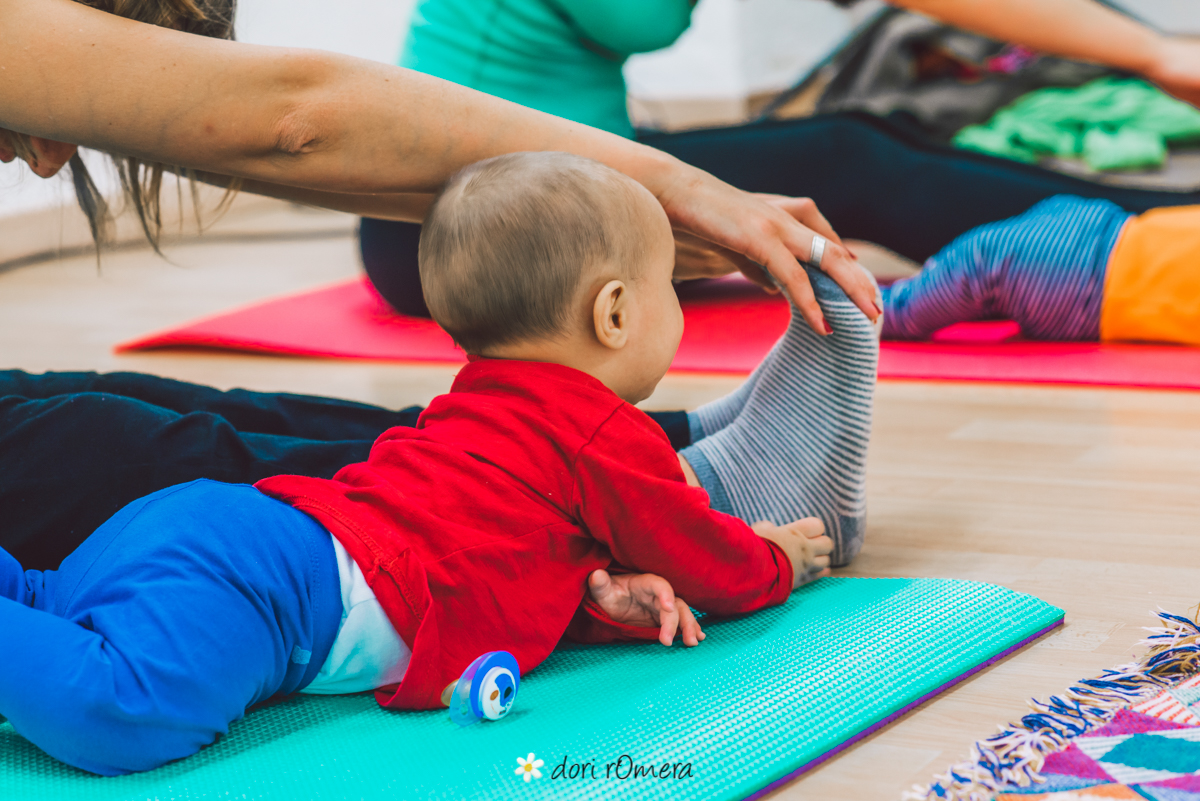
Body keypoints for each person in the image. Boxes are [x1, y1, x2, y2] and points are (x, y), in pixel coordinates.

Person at [0, 152, 876, 775]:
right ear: (615, 313)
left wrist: (595, 596)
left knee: (57, 604)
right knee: (120, 709)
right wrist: (776, 562)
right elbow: (699, 553)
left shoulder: (477, 403)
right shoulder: (597, 432)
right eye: (671, 294)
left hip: (236, 541)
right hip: (263, 582)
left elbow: (488, 557)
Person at [0, 0, 878, 336]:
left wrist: (666, 201)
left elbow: (284, 146)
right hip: (446, 220)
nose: (45, 164)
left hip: (457, 190)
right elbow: (292, 119)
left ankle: (672, 457)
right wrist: (677, 190)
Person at [362, 0, 1200, 316]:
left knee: (868, 136)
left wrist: (1154, 52)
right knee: (848, 155)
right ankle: (1157, 241)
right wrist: (1157, 55)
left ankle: (1163, 232)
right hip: (447, 224)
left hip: (572, 186)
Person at [881, 196, 1200, 346]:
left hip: (1091, 253)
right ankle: (872, 300)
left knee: (973, 270)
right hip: (1084, 262)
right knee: (953, 283)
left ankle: (865, 302)